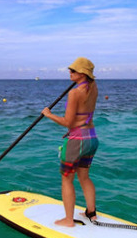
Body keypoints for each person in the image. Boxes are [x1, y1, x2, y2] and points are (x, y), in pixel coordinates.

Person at [42, 57, 99, 227]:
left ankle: (68, 220)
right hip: (92, 138)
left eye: (73, 70)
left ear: (82, 73)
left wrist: (48, 114)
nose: (70, 72)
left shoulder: (74, 93)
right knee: (84, 177)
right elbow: (82, 117)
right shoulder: (93, 88)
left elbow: (68, 121)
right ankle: (91, 213)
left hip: (76, 141)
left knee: (67, 179)